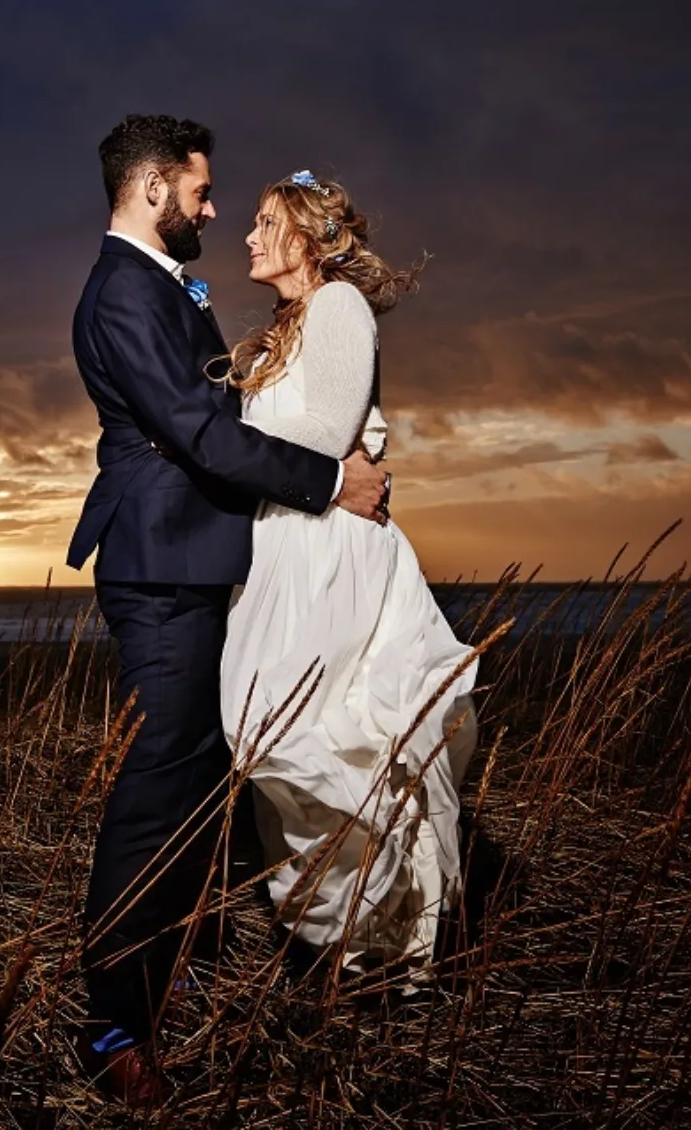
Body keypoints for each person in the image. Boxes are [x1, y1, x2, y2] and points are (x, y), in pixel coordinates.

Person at [66, 116, 390, 1108]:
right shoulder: (122, 289)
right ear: (155, 189)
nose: (212, 209)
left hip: (199, 561)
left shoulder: (169, 282)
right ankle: (113, 1029)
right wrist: (330, 482)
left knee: (201, 778)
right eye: (201, 193)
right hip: (161, 565)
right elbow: (204, 435)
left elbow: (231, 412)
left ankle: (178, 970)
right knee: (156, 788)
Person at [218, 170, 478, 979]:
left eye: (266, 222)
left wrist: (215, 437)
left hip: (329, 548)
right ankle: (337, 941)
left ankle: (374, 939)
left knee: (315, 736)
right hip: (289, 547)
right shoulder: (284, 325)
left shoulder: (338, 306)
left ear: (305, 234)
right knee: (277, 736)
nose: (250, 236)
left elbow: (329, 430)